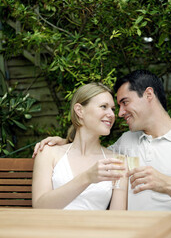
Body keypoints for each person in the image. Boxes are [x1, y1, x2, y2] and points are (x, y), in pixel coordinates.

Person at [33, 70, 171, 211]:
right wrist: (63, 141)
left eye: (124, 103)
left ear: (149, 94)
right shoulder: (126, 144)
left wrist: (170, 185)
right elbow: (88, 151)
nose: (119, 114)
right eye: (111, 107)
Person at [32, 82, 128, 210]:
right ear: (79, 111)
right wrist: (87, 178)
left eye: (112, 109)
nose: (111, 114)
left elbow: (117, 217)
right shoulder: (48, 153)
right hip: (54, 228)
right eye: (103, 106)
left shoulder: (118, 162)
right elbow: (40, 207)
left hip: (95, 229)